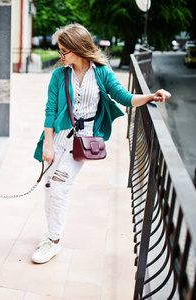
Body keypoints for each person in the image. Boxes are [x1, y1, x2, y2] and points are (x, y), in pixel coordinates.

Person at [32, 24, 171, 264]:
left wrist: (150, 96)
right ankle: (50, 234)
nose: (60, 55)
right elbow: (50, 111)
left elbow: (124, 97)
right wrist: (47, 144)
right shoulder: (59, 75)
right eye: (59, 50)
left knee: (59, 187)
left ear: (77, 49)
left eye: (64, 51)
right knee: (48, 187)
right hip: (57, 139)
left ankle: (54, 241)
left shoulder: (102, 72)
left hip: (82, 142)